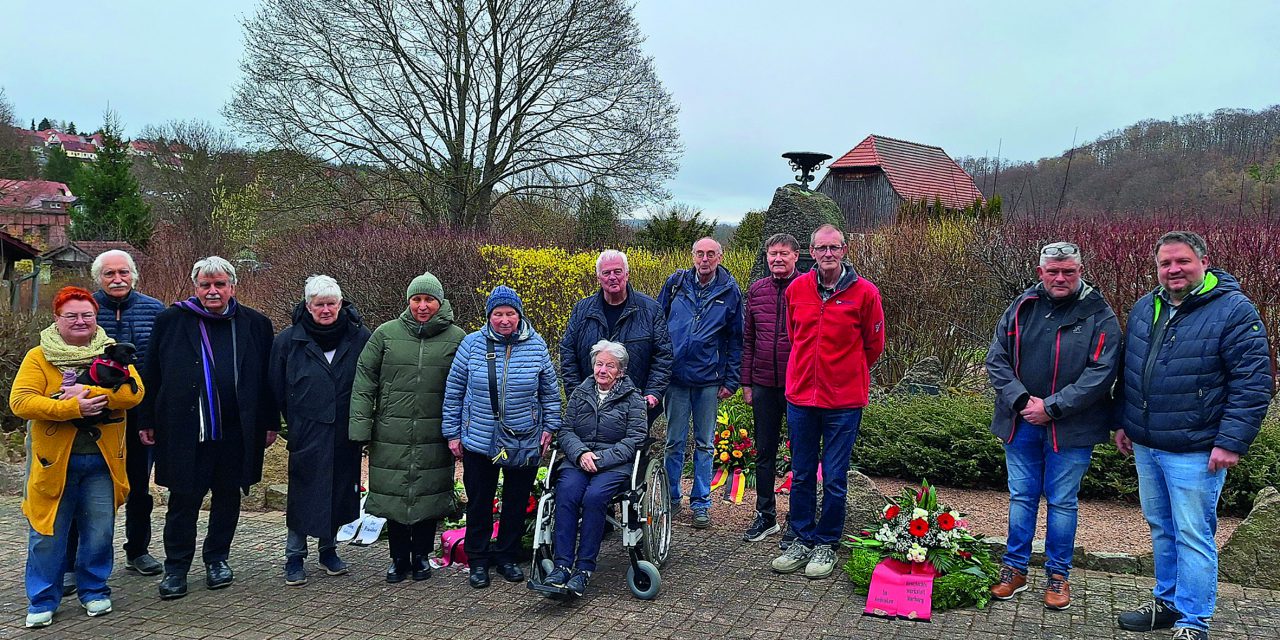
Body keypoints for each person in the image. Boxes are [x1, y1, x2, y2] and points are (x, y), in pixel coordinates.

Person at [1113, 231, 1272, 640]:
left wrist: (1231, 441)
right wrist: (1122, 422)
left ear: (1203, 262)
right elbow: (1129, 369)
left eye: (1182, 261)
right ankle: (1167, 603)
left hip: (1196, 447)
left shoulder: (1234, 310)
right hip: (1147, 443)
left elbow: (1253, 383)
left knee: (1193, 534)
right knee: (1161, 528)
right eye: (1165, 263)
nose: (1173, 270)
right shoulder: (1145, 306)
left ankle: (1193, 620)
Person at [984, 242, 1122, 610]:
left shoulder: (1099, 314)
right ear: (1040, 272)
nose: (1060, 278)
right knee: (1021, 497)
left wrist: (1052, 407)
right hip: (1021, 422)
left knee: (1062, 502)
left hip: (1072, 428)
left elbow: (1101, 373)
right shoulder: (1022, 306)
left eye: (1068, 271)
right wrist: (1021, 401)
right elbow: (996, 358)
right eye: (1053, 271)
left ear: (1080, 272)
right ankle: (1014, 570)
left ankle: (1058, 576)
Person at [139, 256, 277, 600]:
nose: (212, 291)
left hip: (237, 432)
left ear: (233, 287)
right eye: (205, 285)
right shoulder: (172, 320)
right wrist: (146, 418)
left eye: (219, 284)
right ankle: (176, 568)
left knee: (228, 498)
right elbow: (152, 372)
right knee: (183, 501)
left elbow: (267, 379)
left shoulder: (256, 324)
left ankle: (217, 559)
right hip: (187, 431)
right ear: (196, 287)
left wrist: (270, 422)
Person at [10, 286, 145, 628]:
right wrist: (71, 407)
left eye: (87, 314)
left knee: (99, 531)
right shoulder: (39, 356)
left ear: (96, 317)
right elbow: (21, 401)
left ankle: (94, 590)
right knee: (47, 534)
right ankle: (42, 599)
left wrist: (88, 392)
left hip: (102, 463)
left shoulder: (111, 350)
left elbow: (134, 393)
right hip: (54, 463)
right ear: (57, 318)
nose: (80, 321)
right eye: (71, 315)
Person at [770, 224, 884, 580]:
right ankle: (802, 538)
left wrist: (845, 372)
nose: (828, 254)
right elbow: (795, 336)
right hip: (802, 397)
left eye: (834, 247)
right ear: (812, 252)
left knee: (834, 477)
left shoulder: (865, 293)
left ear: (844, 250)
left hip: (844, 401)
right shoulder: (797, 289)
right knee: (802, 473)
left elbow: (873, 345)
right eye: (822, 248)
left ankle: (826, 543)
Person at [59, 250, 166, 595]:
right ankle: (71, 563)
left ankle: (138, 550)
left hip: (140, 413)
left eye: (123, 272)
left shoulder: (155, 310)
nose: (117, 279)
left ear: (134, 275)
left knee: (138, 487)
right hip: (91, 414)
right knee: (79, 487)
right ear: (98, 278)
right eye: (109, 274)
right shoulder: (84, 310)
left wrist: (152, 414)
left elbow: (161, 365)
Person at [350, 272, 464, 584]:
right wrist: (361, 428)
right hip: (391, 432)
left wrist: (462, 429)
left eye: (429, 300)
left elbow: (468, 386)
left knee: (428, 494)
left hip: (435, 432)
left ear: (440, 302)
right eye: (417, 299)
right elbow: (364, 381)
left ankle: (421, 555)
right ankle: (398, 558)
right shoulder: (385, 334)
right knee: (395, 495)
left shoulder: (457, 338)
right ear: (408, 301)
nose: (422, 306)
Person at [443, 286, 561, 589]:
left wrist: (549, 427)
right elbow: (454, 391)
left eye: (510, 313)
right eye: (498, 314)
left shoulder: (536, 345)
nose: (504, 320)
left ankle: (507, 556)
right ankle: (478, 560)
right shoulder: (471, 344)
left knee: (516, 501)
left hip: (523, 438)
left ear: (519, 315)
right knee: (479, 501)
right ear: (489, 316)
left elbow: (549, 392)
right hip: (479, 438)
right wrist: (452, 433)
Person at [270, 275, 372, 586]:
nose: (325, 310)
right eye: (319, 305)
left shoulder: (359, 337)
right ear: (308, 306)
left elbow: (371, 382)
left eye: (331, 304)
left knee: (337, 493)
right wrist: (288, 427)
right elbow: (275, 388)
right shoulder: (288, 341)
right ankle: (294, 556)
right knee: (302, 495)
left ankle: (329, 551)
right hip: (306, 432)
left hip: (343, 433)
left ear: (341, 304)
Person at [544, 340, 647, 596]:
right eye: (599, 364)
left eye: (610, 366)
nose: (602, 370)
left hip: (614, 465)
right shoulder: (581, 393)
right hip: (578, 460)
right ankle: (562, 566)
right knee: (566, 492)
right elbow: (566, 430)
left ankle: (583, 569)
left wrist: (600, 459)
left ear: (620, 371)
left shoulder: (633, 398)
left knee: (594, 497)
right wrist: (581, 453)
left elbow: (635, 438)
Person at [658, 237, 743, 529]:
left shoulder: (730, 291)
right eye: (699, 254)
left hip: (709, 380)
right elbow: (658, 325)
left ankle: (701, 503)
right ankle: (671, 498)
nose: (704, 259)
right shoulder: (676, 284)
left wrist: (731, 380)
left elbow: (736, 339)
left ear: (720, 257)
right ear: (692, 256)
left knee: (705, 444)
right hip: (676, 378)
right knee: (674, 442)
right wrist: (659, 369)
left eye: (710, 254)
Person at [560, 249, 672, 425]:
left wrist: (653, 392)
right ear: (598, 278)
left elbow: (663, 355)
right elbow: (568, 354)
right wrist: (576, 395)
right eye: (606, 273)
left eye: (617, 271)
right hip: (589, 407)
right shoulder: (582, 310)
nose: (612, 277)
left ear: (627, 274)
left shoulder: (650, 309)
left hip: (636, 407)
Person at [741, 233, 802, 543]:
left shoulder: (806, 287)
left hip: (797, 385)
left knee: (800, 455)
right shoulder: (757, 289)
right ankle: (766, 515)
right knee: (764, 452)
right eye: (772, 254)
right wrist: (746, 382)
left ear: (796, 256)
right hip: (763, 383)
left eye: (783, 253)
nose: (777, 259)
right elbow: (749, 338)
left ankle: (798, 519)